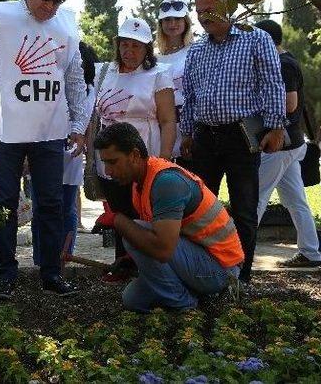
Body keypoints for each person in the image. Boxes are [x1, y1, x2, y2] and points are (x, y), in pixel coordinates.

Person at [0, 0, 90, 299]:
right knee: (4, 201)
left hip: (49, 121)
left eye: (59, 0)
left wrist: (79, 122)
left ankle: (50, 272)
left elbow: (75, 77)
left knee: (51, 201)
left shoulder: (67, 23)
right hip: (4, 117)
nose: (50, 6)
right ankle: (6, 273)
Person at [180, 0, 286, 282]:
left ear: (229, 7)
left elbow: (272, 84)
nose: (202, 17)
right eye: (199, 12)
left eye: (209, 10)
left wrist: (276, 126)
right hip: (204, 137)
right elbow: (190, 95)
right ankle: (205, 274)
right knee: (200, 209)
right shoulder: (197, 48)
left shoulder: (257, 39)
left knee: (244, 210)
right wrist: (187, 133)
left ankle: (241, 278)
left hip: (241, 138)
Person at [94, 122, 244, 312]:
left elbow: (163, 249)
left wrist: (118, 221)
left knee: (134, 232)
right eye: (105, 163)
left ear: (134, 155)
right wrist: (131, 260)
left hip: (221, 270)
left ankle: (184, 307)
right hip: (197, 262)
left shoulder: (166, 182)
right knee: (132, 299)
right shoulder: (140, 182)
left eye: (112, 162)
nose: (108, 171)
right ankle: (191, 295)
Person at [93, 18, 176, 283]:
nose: (129, 51)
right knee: (118, 212)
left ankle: (147, 269)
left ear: (147, 49)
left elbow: (167, 120)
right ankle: (122, 265)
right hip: (110, 157)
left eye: (136, 46)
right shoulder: (105, 72)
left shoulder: (159, 74)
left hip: (144, 156)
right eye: (125, 45)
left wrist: (163, 160)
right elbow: (94, 115)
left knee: (142, 214)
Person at [253, 19, 321, 268]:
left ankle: (238, 256)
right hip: (292, 144)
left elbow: (289, 104)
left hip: (280, 144)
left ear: (267, 41)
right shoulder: (287, 61)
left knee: (254, 198)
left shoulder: (283, 65)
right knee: (296, 201)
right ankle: (311, 253)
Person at [31, 41, 98, 263]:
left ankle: (64, 255)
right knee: (41, 207)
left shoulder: (88, 91)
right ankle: (40, 257)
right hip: (42, 150)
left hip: (70, 154)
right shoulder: (47, 83)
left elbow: (86, 122)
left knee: (66, 207)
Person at [155, 0, 194, 165]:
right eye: (167, 20)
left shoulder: (195, 52)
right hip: (159, 127)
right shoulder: (153, 58)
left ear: (186, 22)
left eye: (177, 19)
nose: (172, 24)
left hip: (188, 126)